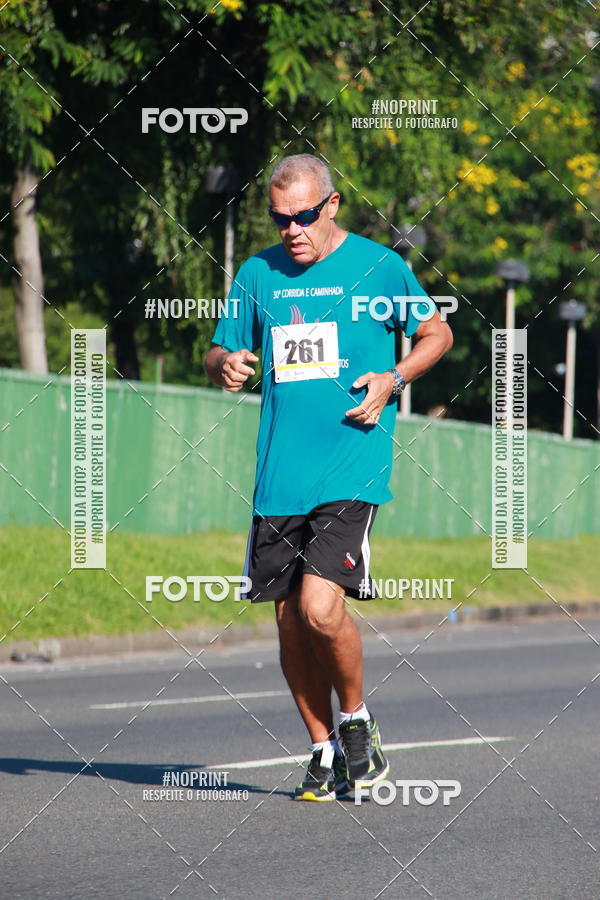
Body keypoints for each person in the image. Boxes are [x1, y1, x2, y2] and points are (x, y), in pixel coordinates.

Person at [205, 154, 453, 802]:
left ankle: (356, 718)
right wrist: (225, 363)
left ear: (333, 205)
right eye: (281, 218)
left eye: (305, 216)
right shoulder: (258, 273)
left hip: (352, 461)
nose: (292, 230)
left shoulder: (378, 267)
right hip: (279, 475)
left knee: (320, 606)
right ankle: (322, 751)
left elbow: (437, 332)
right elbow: (218, 346)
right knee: (289, 619)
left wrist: (394, 378)